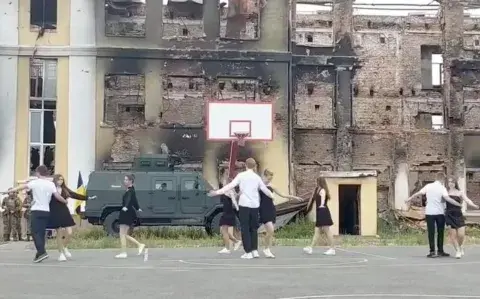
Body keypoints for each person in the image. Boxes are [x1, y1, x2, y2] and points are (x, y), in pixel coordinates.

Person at [208, 158, 274, 259]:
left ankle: (248, 252)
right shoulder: (257, 177)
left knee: (245, 228)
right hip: (255, 205)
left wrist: (216, 192)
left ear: (246, 166)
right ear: (255, 166)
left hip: (244, 205)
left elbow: (230, 186)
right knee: (253, 228)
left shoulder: (241, 176)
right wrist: (271, 196)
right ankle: (254, 250)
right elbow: (265, 190)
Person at [1, 165, 67, 263]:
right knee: (41, 233)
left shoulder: (35, 183)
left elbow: (21, 187)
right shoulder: (51, 184)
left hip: (36, 211)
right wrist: (65, 201)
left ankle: (42, 252)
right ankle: (39, 255)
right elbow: (57, 196)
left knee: (34, 232)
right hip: (46, 211)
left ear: (38, 173)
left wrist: (8, 191)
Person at [406, 172, 462, 258]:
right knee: (440, 232)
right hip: (440, 213)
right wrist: (457, 204)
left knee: (431, 232)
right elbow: (447, 199)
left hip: (429, 213)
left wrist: (409, 198)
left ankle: (432, 251)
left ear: (436, 178)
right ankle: (440, 251)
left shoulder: (428, 186)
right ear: (442, 179)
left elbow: (419, 193)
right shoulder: (442, 188)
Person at [260, 169, 303, 258]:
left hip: (271, 208)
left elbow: (283, 195)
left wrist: (294, 197)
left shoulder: (272, 186)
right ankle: (266, 249)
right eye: (268, 178)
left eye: (271, 179)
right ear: (264, 176)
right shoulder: (259, 185)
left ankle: (267, 247)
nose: (269, 180)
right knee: (271, 229)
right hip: (262, 209)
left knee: (270, 231)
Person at [49, 174, 87, 262]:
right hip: (54, 212)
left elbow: (75, 195)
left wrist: (87, 198)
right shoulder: (51, 189)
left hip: (64, 212)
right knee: (59, 233)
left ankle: (65, 247)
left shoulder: (65, 189)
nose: (60, 181)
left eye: (62, 180)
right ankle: (61, 254)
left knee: (69, 232)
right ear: (55, 180)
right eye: (59, 179)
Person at [445, 177, 479, 258]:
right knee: (452, 235)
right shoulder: (445, 192)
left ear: (455, 183)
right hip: (449, 214)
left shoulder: (460, 192)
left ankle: (460, 246)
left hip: (458, 214)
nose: (451, 183)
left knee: (461, 235)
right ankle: (457, 250)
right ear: (447, 183)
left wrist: (474, 205)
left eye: (452, 182)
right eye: (449, 182)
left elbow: (467, 200)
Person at [303, 177, 335, 256]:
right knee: (317, 231)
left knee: (327, 230)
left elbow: (322, 201)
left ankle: (332, 249)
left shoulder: (322, 190)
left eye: (317, 181)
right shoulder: (317, 189)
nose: (316, 183)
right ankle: (311, 248)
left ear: (320, 182)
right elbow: (314, 200)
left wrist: (321, 206)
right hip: (320, 212)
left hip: (323, 211)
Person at [116, 174, 145, 259]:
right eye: (124, 179)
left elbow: (129, 199)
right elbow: (134, 200)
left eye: (126, 180)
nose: (124, 181)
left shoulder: (130, 191)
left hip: (126, 212)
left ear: (130, 181)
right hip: (128, 212)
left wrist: (125, 206)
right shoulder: (131, 190)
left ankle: (124, 252)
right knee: (123, 234)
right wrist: (138, 208)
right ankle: (140, 245)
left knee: (122, 234)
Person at [217, 179, 242, 254]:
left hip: (228, 213)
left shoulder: (229, 190)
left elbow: (234, 200)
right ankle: (236, 242)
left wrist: (237, 208)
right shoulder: (227, 190)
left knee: (224, 231)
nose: (222, 182)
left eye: (224, 181)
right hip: (227, 212)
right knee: (223, 231)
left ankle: (227, 248)